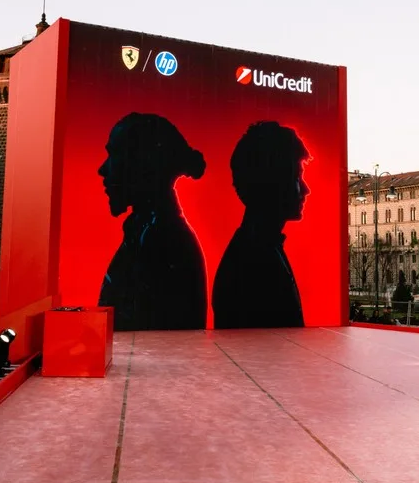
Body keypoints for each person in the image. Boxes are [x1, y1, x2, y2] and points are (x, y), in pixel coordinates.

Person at [96, 113, 208, 331]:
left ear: (142, 164)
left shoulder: (161, 241)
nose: (103, 169)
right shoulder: (151, 234)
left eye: (114, 155)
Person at [213, 122, 310, 329]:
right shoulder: (255, 259)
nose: (305, 189)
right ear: (275, 181)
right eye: (297, 176)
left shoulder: (255, 247)